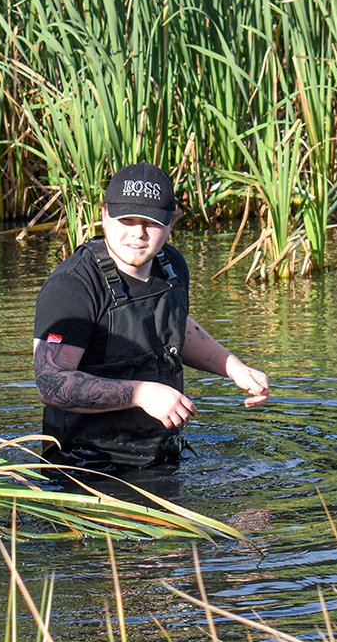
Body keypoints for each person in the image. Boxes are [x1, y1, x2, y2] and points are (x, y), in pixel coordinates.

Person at [32, 163, 271, 468]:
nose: (138, 233)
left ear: (171, 224)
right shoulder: (73, 286)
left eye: (151, 222)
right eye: (126, 220)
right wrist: (141, 394)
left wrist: (234, 368)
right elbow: (51, 383)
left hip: (162, 452)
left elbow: (174, 326)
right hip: (88, 466)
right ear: (104, 215)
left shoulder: (171, 266)